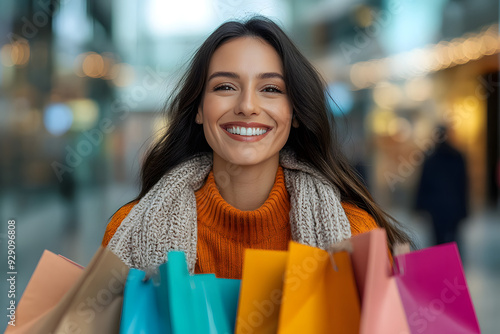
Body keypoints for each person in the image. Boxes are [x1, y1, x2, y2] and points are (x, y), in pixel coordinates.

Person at [102, 16, 410, 279]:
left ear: (296, 113)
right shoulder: (130, 231)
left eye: (271, 89)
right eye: (225, 87)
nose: (247, 106)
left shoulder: (356, 235)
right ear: (198, 109)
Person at [415, 125, 468, 245]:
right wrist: (464, 209)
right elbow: (463, 185)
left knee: (438, 240)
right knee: (453, 239)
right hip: (453, 206)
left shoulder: (431, 158)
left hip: (435, 208)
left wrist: (419, 205)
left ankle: (440, 262)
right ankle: (452, 262)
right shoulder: (457, 157)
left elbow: (423, 183)